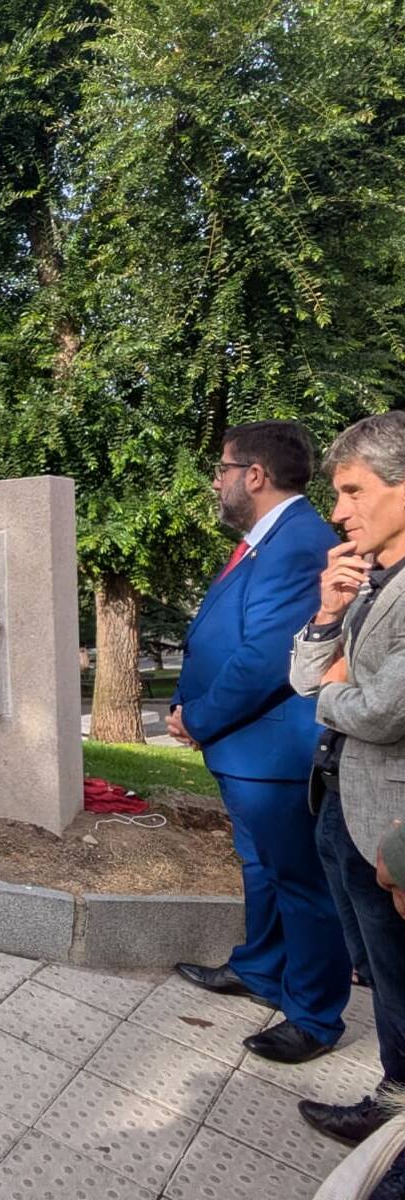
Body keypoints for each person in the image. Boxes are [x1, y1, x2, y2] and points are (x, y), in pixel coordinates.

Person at [169, 420, 350, 1063]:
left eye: (221, 470)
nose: (216, 483)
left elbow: (268, 657)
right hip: (245, 747)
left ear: (254, 474)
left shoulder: (299, 543)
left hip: (270, 750)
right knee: (262, 869)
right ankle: (260, 967)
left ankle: (313, 1015)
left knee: (301, 881)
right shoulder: (264, 541)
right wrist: (185, 704)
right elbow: (218, 634)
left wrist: (199, 717)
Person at [289, 411, 405, 1146]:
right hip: (340, 798)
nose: (338, 511)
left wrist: (331, 690)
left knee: (400, 981)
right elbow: (303, 673)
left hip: (391, 824)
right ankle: (394, 1099)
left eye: (355, 490)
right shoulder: (369, 580)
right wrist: (329, 613)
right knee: (383, 976)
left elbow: (387, 712)